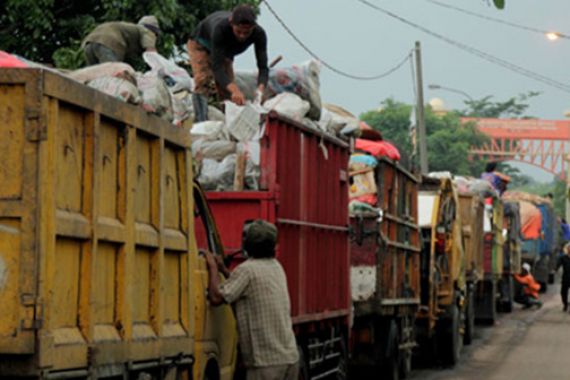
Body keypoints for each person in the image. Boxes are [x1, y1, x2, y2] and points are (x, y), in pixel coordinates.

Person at [204, 219, 299, 380]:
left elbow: (215, 297)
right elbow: (243, 287)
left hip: (265, 364)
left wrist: (213, 267)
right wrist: (224, 269)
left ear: (247, 245)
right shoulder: (276, 267)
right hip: (289, 359)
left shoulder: (247, 269)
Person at [187, 4, 269, 121]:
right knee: (203, 79)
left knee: (229, 91)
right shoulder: (220, 29)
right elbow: (217, 68)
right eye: (238, 31)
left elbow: (263, 68)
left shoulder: (259, 34)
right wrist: (235, 90)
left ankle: (227, 123)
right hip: (201, 44)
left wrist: (260, 89)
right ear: (231, 24)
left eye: (247, 33)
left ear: (253, 28)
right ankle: (201, 122)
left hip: (225, 52)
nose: (242, 36)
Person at [82, 16, 160, 66]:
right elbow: (151, 52)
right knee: (113, 76)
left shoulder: (131, 30)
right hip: (108, 44)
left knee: (94, 77)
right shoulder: (147, 30)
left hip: (89, 42)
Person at [557, 243, 570, 311]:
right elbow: (558, 265)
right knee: (563, 292)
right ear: (567, 249)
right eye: (569, 248)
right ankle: (565, 304)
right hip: (565, 278)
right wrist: (555, 269)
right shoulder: (563, 258)